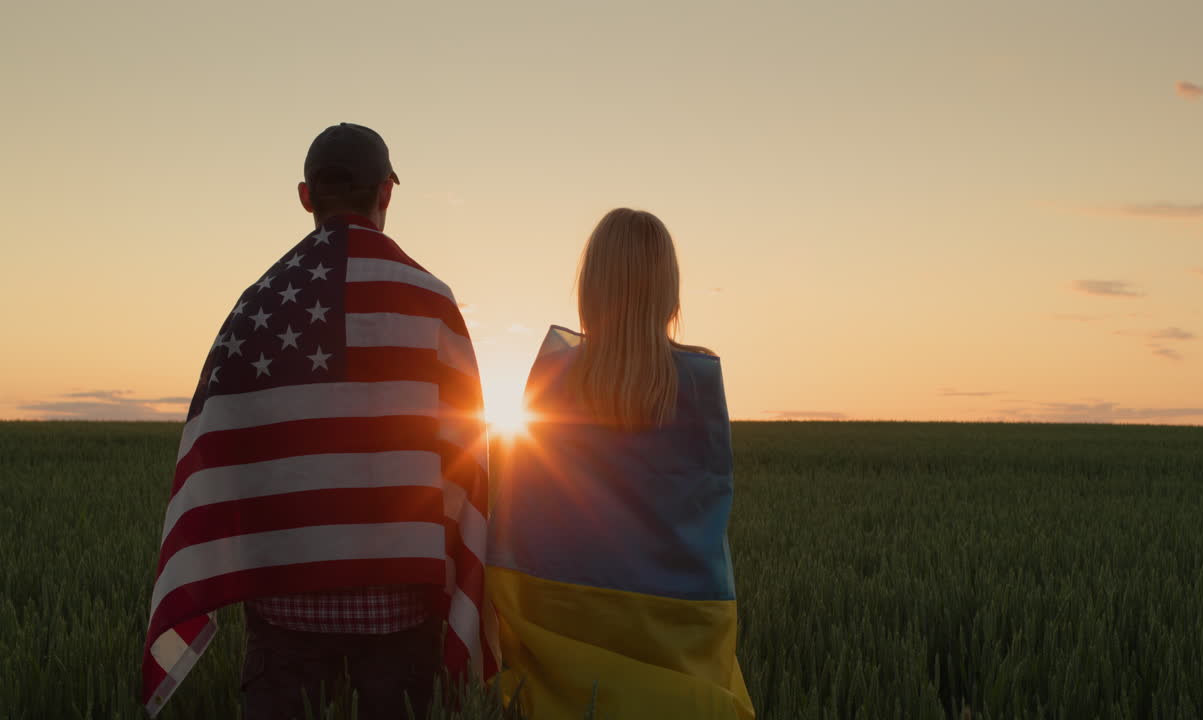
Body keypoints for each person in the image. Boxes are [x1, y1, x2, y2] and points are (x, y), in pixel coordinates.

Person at [140, 123, 498, 719]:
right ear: (386, 192)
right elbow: (467, 458)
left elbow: (214, 454)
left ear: (306, 197)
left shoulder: (255, 307)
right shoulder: (432, 302)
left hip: (284, 622)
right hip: (401, 618)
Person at [487, 208, 755, 719]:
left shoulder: (552, 379)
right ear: (669, 294)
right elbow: (704, 522)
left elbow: (519, 520)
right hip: (677, 636)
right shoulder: (699, 385)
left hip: (561, 635)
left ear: (589, 289)